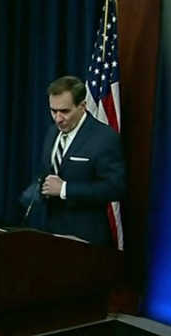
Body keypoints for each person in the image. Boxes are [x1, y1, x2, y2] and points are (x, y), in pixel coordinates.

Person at [17, 75, 126, 247]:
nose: (58, 118)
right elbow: (47, 173)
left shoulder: (104, 138)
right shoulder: (52, 133)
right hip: (51, 234)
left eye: (65, 111)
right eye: (53, 111)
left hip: (85, 239)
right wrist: (38, 189)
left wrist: (65, 189)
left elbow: (115, 187)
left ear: (82, 106)